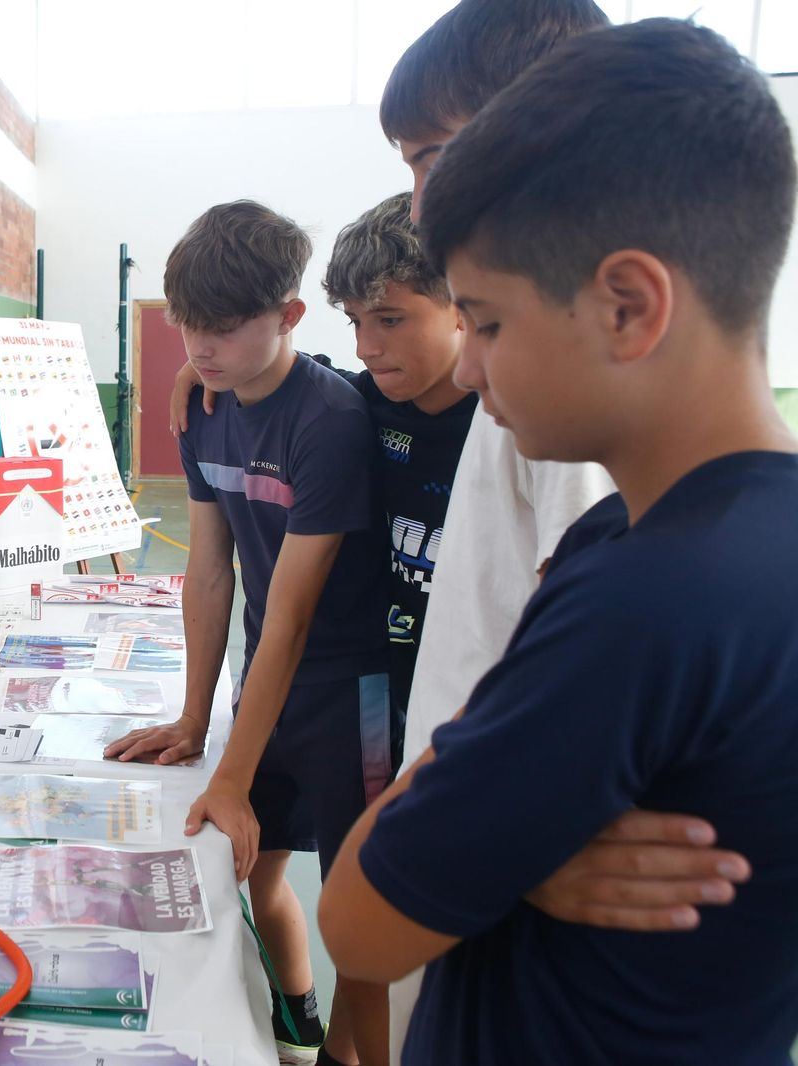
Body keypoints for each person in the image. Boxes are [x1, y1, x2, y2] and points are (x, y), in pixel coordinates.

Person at [320, 20, 798, 1063]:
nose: (473, 371)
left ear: (626, 306)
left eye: (484, 323)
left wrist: (473, 822)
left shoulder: (642, 593)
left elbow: (354, 920)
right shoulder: (677, 538)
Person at [107, 201, 392, 1066]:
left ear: (289, 316)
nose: (199, 347)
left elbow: (298, 615)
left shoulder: (329, 420)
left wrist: (230, 774)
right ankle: (297, 1022)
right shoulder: (203, 407)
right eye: (189, 324)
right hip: (265, 681)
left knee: (361, 914)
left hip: (351, 697)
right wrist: (197, 721)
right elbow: (206, 571)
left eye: (224, 329)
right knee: (251, 874)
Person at [319, 192, 476, 770]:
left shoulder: (516, 426)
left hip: (483, 716)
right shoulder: (357, 405)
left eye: (390, 319)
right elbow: (290, 377)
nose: (366, 347)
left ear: (462, 304)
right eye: (356, 321)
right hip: (387, 703)